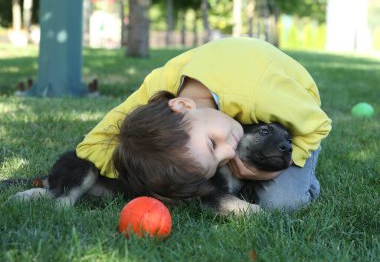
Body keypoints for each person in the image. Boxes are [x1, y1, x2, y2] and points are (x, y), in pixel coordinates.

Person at [76, 37, 332, 212]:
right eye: (218, 158)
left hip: (294, 117)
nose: (230, 152)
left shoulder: (259, 95)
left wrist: (272, 171)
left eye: (212, 144)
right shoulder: (162, 98)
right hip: (233, 100)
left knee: (281, 203)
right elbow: (94, 145)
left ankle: (303, 175)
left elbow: (318, 125)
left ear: (183, 106)